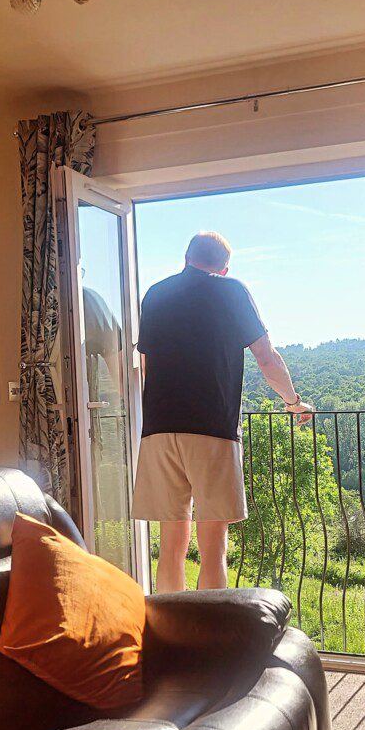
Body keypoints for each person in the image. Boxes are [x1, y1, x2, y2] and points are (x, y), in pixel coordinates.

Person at [133, 230, 314, 592]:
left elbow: (148, 362)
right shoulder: (232, 291)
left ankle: (173, 637)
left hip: (159, 428)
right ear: (225, 268)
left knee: (171, 544)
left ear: (186, 257)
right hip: (212, 427)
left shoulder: (155, 294)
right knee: (213, 544)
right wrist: (293, 402)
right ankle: (209, 640)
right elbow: (266, 358)